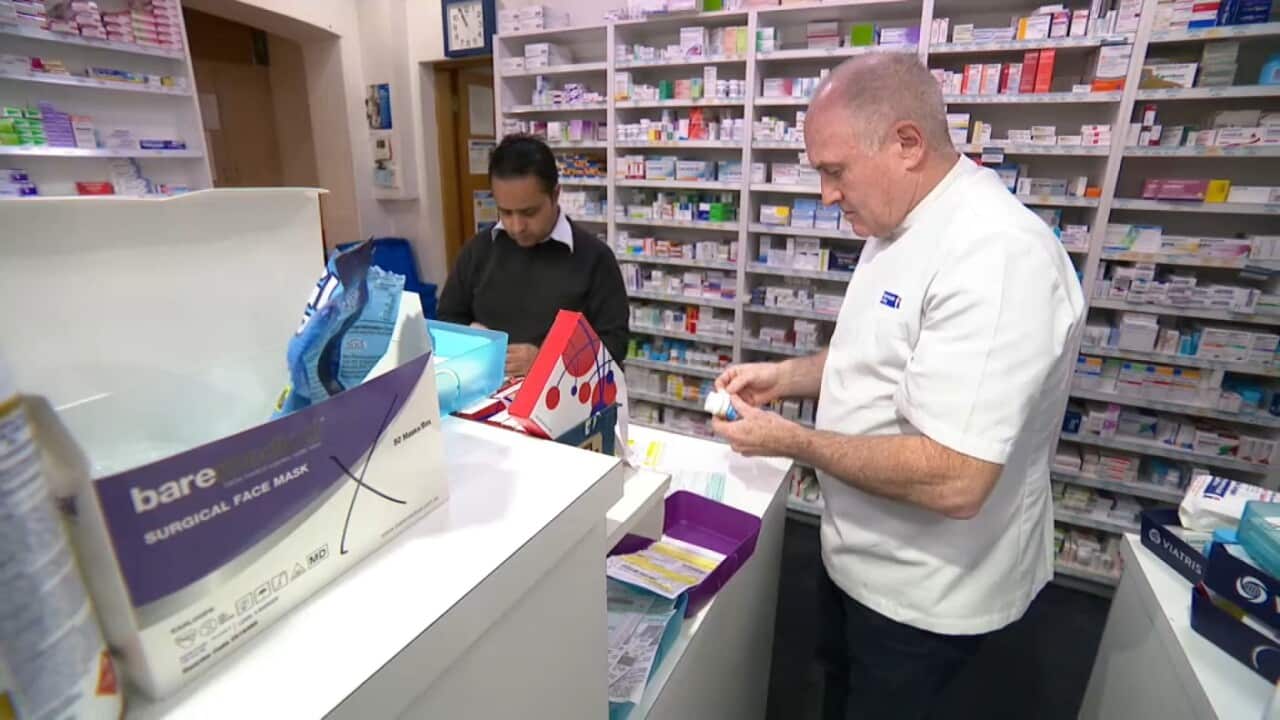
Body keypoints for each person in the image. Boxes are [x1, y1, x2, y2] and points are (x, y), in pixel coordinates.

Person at [711, 54, 1085, 719]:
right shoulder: (896, 219)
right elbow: (880, 352)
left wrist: (792, 440)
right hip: (857, 556)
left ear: (906, 144)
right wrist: (787, 376)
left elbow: (956, 477)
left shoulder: (997, 255)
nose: (826, 193)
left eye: (834, 170)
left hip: (929, 599)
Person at [437, 134, 629, 376]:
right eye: (506, 212)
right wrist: (475, 340)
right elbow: (447, 318)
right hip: (488, 398)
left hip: (563, 402)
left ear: (555, 195)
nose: (517, 226)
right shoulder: (478, 251)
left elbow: (614, 344)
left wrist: (547, 363)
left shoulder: (595, 259)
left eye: (529, 212)